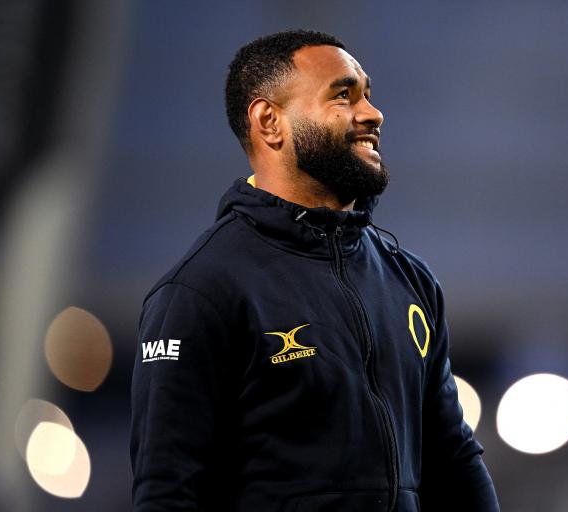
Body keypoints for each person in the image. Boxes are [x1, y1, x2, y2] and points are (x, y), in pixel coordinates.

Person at [130, 29, 500, 512]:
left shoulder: (409, 281)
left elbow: (453, 460)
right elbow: (167, 494)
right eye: (343, 95)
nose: (372, 113)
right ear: (269, 122)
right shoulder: (201, 291)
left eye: (367, 94)